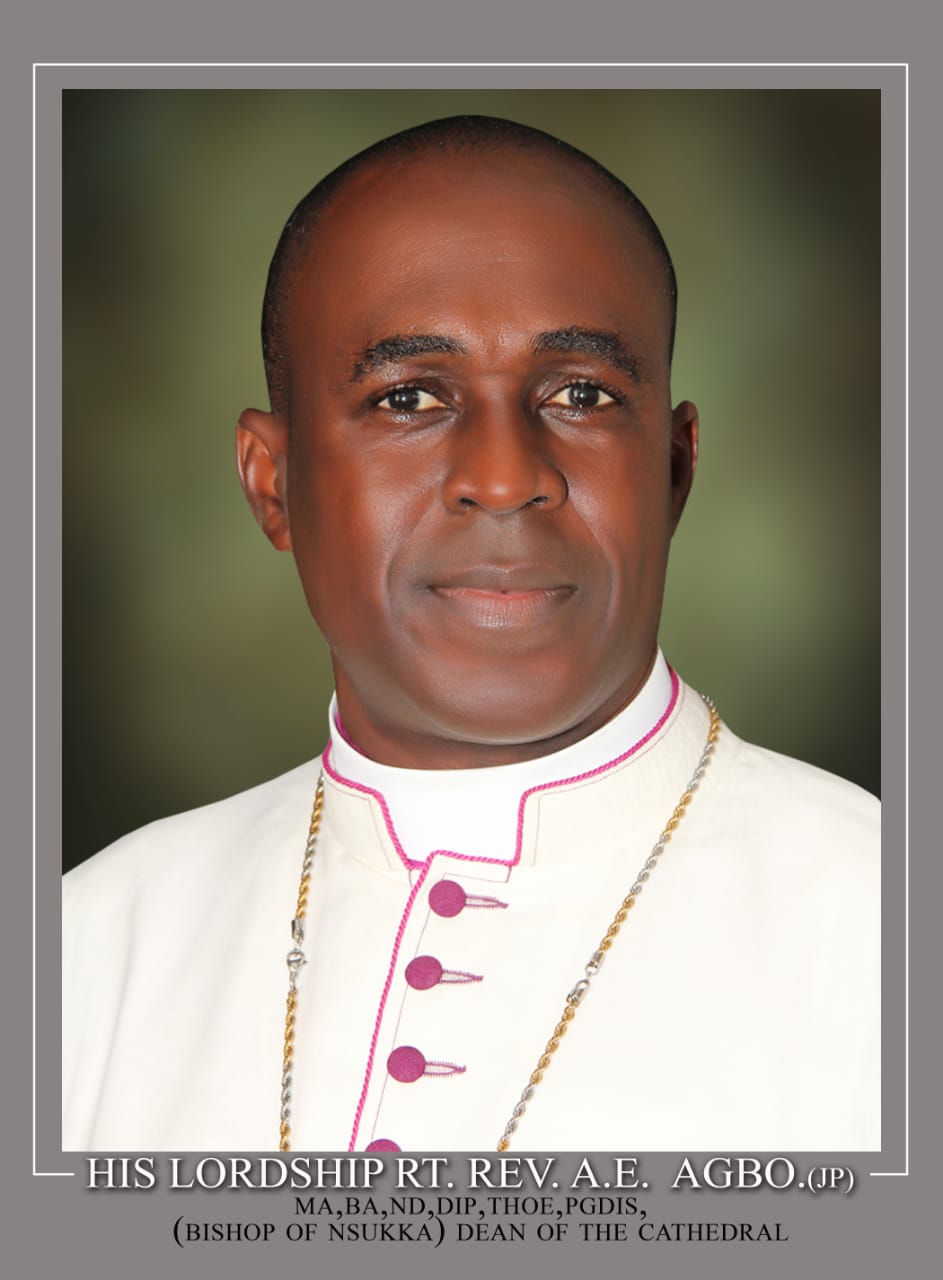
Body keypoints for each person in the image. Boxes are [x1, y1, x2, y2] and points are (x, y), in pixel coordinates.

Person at [62, 115, 879, 1153]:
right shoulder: (86, 950)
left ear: (673, 470)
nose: (503, 477)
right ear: (273, 484)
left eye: (581, 394)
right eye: (408, 397)